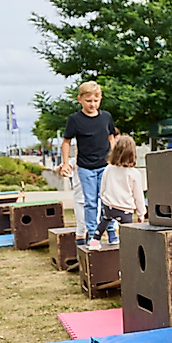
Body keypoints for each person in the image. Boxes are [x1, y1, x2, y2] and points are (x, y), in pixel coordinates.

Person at [58, 81, 117, 246]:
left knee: (107, 200)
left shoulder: (106, 117)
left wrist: (115, 160)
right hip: (85, 167)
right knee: (91, 201)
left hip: (105, 165)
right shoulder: (75, 119)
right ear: (80, 100)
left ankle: (111, 229)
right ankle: (93, 234)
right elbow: (66, 141)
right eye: (89, 101)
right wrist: (65, 163)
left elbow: (111, 137)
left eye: (96, 101)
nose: (93, 104)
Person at [89, 135, 146, 249]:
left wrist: (105, 200)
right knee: (127, 230)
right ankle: (129, 248)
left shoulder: (108, 168)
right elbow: (138, 196)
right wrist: (141, 213)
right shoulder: (134, 173)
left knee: (105, 221)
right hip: (124, 209)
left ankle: (95, 240)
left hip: (109, 206)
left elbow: (103, 187)